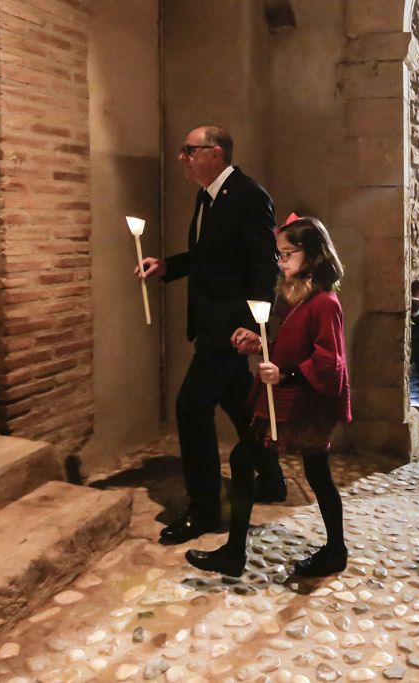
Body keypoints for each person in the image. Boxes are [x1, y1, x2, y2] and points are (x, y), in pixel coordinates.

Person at [138, 125, 286, 545]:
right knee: (240, 405)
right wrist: (168, 265)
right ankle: (272, 479)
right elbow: (210, 258)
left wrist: (257, 326)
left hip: (230, 327)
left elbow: (265, 265)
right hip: (209, 321)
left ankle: (205, 508)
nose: (182, 157)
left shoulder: (248, 195)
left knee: (190, 407)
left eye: (190, 150)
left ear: (215, 153)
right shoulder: (206, 196)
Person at [186, 216, 352, 577]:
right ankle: (237, 552)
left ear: (312, 254)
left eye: (287, 254)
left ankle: (332, 550)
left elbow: (329, 361)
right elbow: (294, 348)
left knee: (310, 472)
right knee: (251, 461)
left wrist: (285, 374)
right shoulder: (298, 297)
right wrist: (261, 345)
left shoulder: (325, 302)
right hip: (288, 397)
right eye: (278, 254)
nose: (280, 262)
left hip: (304, 402)